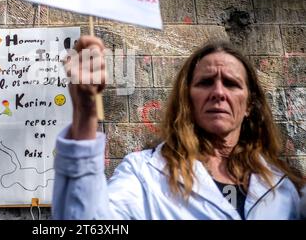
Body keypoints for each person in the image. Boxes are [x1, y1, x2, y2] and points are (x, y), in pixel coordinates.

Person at [52, 36, 305, 220]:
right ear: (187, 98)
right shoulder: (145, 175)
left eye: (231, 84)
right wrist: (85, 111)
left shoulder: (285, 188)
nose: (218, 92)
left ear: (249, 104)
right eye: (205, 82)